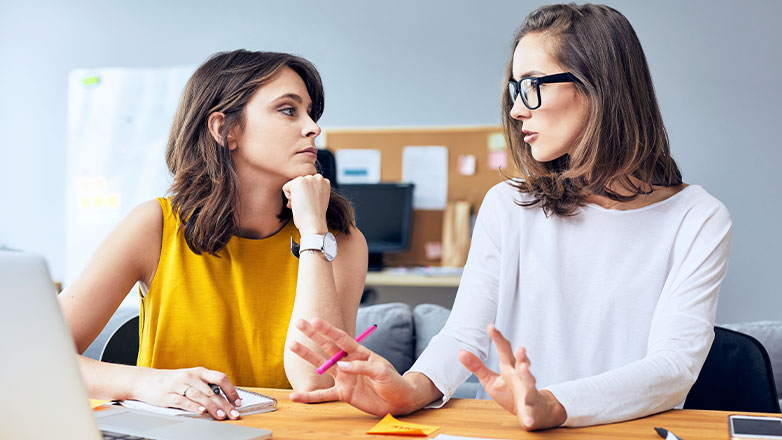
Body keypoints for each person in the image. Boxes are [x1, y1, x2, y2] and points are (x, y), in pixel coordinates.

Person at [288, 3, 732, 430]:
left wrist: (555, 406)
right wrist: (410, 390)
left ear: (599, 85)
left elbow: (674, 366)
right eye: (514, 89)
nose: (518, 109)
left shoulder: (697, 218)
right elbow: (464, 336)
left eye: (532, 85)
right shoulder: (509, 205)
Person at [59, 49, 368, 421]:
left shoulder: (339, 240)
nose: (313, 128)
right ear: (225, 129)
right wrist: (144, 382)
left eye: (311, 114)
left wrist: (314, 235)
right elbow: (34, 353)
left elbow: (315, 382)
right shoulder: (154, 226)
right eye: (289, 110)